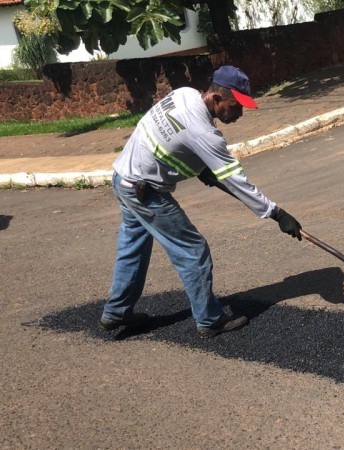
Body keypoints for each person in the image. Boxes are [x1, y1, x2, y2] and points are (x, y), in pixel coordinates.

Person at [100, 65, 302, 338]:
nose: (239, 114)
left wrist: (201, 168)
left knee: (132, 247)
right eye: (236, 106)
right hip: (146, 192)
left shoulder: (183, 94)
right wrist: (276, 214)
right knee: (193, 251)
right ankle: (209, 320)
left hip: (124, 178)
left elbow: (171, 138)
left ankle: (117, 312)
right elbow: (235, 180)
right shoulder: (205, 133)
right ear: (217, 98)